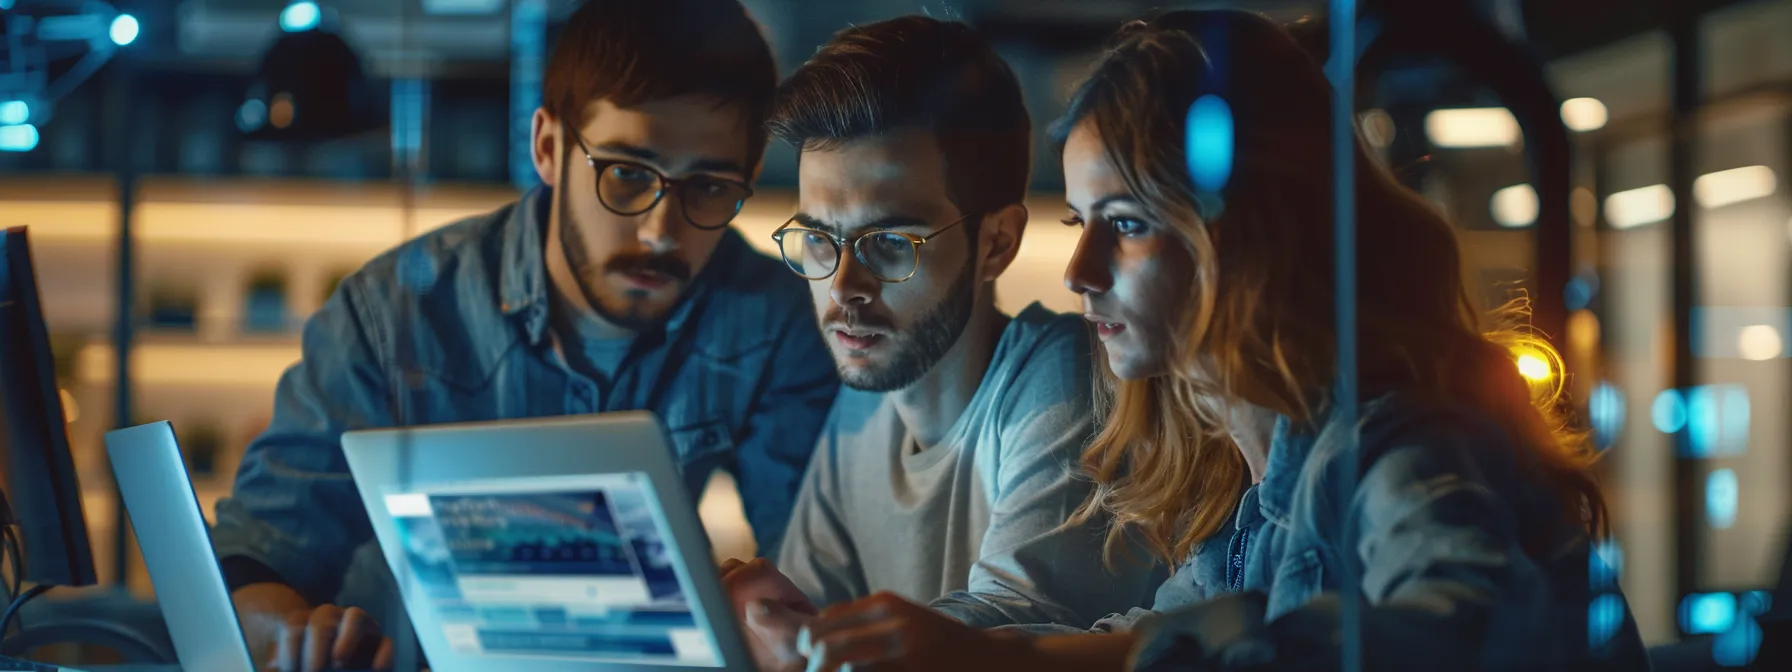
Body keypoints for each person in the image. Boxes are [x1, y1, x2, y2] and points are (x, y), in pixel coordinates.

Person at [782, 10, 1651, 672]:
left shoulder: (1400, 444)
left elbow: (1461, 612)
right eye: (1081, 221)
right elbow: (1152, 637)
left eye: (1123, 224)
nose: (1080, 269)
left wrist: (1239, 640)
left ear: (1245, 236)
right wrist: (973, 650)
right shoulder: (1247, 503)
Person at [210, 1, 839, 669]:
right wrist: (290, 635)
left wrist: (759, 611)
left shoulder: (769, 317)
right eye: (626, 174)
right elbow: (257, 556)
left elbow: (812, 562)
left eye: (709, 187)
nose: (661, 231)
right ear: (547, 147)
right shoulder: (393, 309)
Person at [716, 15, 1164, 672]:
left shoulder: (1065, 381)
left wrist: (803, 643)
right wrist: (759, 618)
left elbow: (993, 638)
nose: (844, 289)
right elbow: (808, 613)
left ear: (998, 244)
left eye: (891, 244)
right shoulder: (865, 400)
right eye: (819, 239)